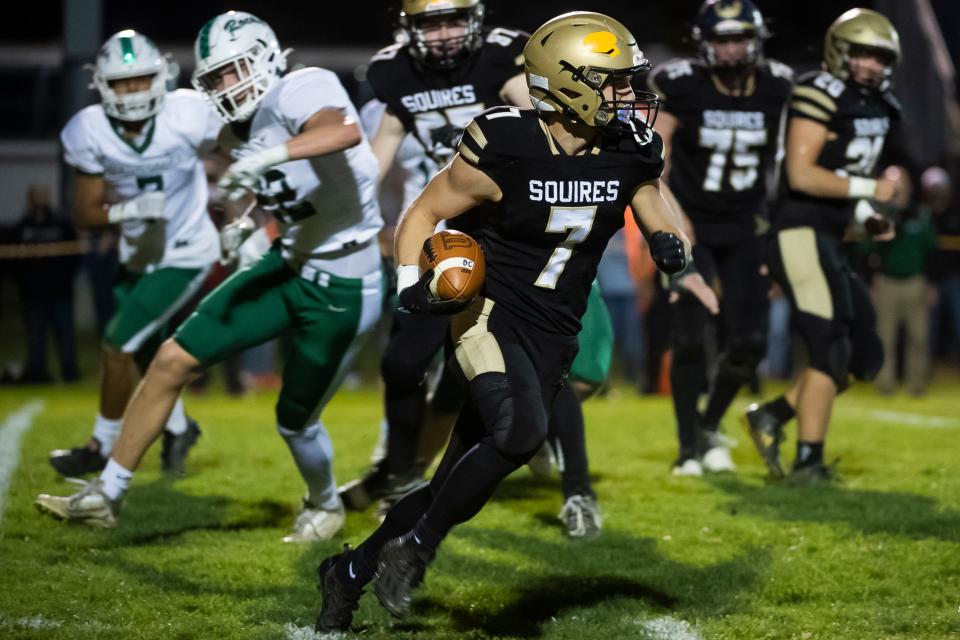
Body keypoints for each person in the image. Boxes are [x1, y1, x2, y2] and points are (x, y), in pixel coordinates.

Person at [314, 12, 718, 631]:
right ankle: (414, 553)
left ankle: (347, 573)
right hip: (488, 313)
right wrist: (410, 286)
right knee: (523, 431)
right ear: (569, 84)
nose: (629, 95)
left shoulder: (628, 148)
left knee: (453, 482)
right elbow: (422, 213)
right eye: (614, 81)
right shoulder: (505, 143)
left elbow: (649, 198)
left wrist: (668, 240)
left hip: (557, 329)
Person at [35, 11, 384, 543]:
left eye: (233, 69)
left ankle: (324, 502)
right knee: (172, 359)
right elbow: (268, 185)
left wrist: (268, 155)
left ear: (265, 57)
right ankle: (106, 494)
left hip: (343, 284)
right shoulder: (229, 130)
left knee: (294, 422)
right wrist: (246, 220)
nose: (226, 85)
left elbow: (339, 131)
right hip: (286, 263)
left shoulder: (301, 87)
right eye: (215, 77)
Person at [337, 0, 532, 510]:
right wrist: (343, 210)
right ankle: (400, 471)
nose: (444, 34)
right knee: (403, 363)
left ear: (474, 20)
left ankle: (426, 471)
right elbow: (380, 154)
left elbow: (537, 124)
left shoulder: (501, 59)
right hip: (432, 235)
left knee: (465, 368)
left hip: (498, 235)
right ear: (411, 28)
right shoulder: (393, 71)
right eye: (431, 23)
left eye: (452, 21)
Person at [48, 30, 220, 477]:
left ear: (159, 76)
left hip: (185, 249)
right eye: (122, 82)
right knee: (143, 350)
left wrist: (243, 195)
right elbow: (84, 213)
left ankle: (100, 446)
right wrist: (125, 209)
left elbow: (240, 141)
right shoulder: (87, 129)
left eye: (141, 79)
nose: (132, 90)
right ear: (103, 85)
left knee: (117, 344)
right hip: (138, 252)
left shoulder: (187, 112)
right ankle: (180, 428)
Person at [743, 8, 904, 483]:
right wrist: (869, 192)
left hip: (831, 237)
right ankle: (809, 462)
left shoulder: (881, 105)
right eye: (863, 54)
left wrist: (866, 216)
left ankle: (771, 415)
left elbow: (847, 177)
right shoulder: (819, 89)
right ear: (841, 51)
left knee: (865, 356)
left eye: (881, 57)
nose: (872, 65)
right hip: (796, 232)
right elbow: (803, 174)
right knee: (830, 346)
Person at [647, 0, 794, 476]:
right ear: (704, 44)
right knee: (690, 335)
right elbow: (657, 161)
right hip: (694, 225)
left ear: (755, 40)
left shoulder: (778, 85)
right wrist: (673, 219)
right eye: (720, 40)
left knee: (751, 342)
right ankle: (688, 447)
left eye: (738, 39)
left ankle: (709, 426)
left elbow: (788, 161)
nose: (730, 50)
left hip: (749, 226)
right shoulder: (682, 85)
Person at [871, 167, 936, 396]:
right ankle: (885, 383)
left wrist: (931, 281)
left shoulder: (920, 212)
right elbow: (866, 250)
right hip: (886, 281)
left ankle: (916, 383)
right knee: (884, 336)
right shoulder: (877, 212)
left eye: (900, 183)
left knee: (918, 336)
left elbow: (932, 250)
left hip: (915, 281)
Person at [10, 185, 81, 383]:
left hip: (60, 292)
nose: (41, 199)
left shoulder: (61, 224)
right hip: (32, 294)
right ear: (30, 198)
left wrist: (64, 278)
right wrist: (24, 282)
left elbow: (74, 256)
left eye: (44, 195)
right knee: (35, 337)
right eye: (37, 195)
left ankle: (69, 372)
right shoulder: (22, 226)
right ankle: (37, 373)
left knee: (65, 335)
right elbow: (12, 261)